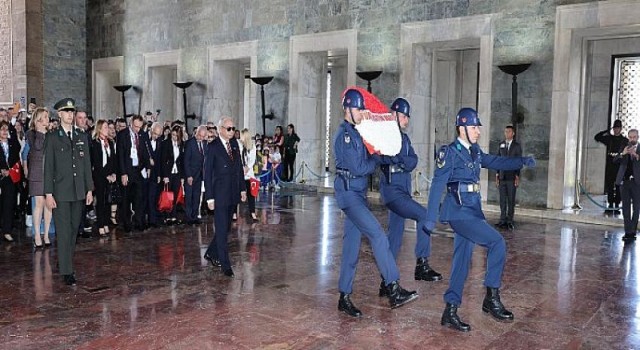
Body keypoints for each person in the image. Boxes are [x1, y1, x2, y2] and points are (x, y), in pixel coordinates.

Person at [425, 107, 535, 332]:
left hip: (472, 210)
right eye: (474, 127)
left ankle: (450, 310)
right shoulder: (450, 152)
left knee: (461, 260)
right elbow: (437, 184)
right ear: (462, 127)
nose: (478, 131)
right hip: (458, 212)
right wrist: (429, 219)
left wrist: (521, 161)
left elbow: (496, 161)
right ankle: (491, 298)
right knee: (497, 242)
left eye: (478, 127)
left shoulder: (474, 151)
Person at [334, 88, 418, 318]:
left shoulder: (357, 131)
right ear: (348, 110)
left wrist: (378, 152)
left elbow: (370, 152)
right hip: (350, 195)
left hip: (357, 193)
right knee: (378, 235)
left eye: (362, 109)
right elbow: (361, 167)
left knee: (351, 246)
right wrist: (376, 159)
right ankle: (393, 287)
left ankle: (344, 296)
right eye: (359, 110)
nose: (362, 113)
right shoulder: (346, 135)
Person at [377, 98, 442, 299]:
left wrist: (400, 160)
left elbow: (412, 160)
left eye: (407, 117)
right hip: (392, 192)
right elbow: (384, 158)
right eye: (404, 116)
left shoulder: (404, 139)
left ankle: (386, 283)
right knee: (424, 216)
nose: (406, 120)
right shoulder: (385, 136)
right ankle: (421, 264)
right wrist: (399, 160)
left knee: (394, 239)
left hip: (402, 191)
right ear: (395, 115)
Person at [43, 98, 94, 286]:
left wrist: (89, 188)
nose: (70, 115)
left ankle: (64, 260)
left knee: (73, 231)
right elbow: (48, 168)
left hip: (78, 191)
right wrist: (48, 193)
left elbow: (86, 165)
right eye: (67, 112)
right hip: (61, 192)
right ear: (60, 114)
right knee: (64, 231)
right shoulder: (53, 137)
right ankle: (67, 270)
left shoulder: (81, 136)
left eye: (72, 112)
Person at [203, 116, 247, 277]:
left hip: (232, 193)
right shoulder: (212, 147)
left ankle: (211, 253)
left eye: (233, 128)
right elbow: (207, 174)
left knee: (226, 227)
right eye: (229, 128)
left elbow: (239, 169)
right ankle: (225, 265)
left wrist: (242, 189)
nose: (232, 131)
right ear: (221, 129)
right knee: (221, 229)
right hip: (219, 195)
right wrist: (209, 198)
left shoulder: (234, 144)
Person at [24, 108, 52, 247]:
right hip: (36, 173)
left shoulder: (51, 134)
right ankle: (36, 234)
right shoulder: (31, 133)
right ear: (38, 119)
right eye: (45, 117)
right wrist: (41, 132)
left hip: (49, 173)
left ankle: (46, 234)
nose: (48, 119)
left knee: (48, 204)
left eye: (48, 117)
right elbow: (37, 147)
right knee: (39, 203)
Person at [116, 115, 149, 232]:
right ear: (131, 123)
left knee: (139, 197)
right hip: (127, 170)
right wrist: (123, 173)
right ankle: (126, 223)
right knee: (126, 198)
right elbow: (120, 155)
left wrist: (146, 166)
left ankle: (138, 221)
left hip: (138, 170)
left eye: (140, 127)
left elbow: (145, 152)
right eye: (135, 126)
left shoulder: (142, 135)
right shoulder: (122, 135)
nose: (137, 129)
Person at [90, 120, 117, 236]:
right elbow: (96, 162)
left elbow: (112, 159)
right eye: (105, 127)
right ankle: (100, 224)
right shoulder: (94, 143)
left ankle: (106, 223)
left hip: (109, 176)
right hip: (99, 176)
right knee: (100, 201)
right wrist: (106, 175)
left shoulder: (110, 143)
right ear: (99, 129)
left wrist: (113, 173)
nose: (108, 130)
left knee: (108, 200)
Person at [594, 119, 628, 211]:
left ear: (621, 129)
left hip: (619, 165)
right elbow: (597, 137)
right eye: (615, 128)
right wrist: (607, 130)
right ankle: (610, 204)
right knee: (609, 185)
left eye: (618, 128)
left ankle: (617, 205)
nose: (616, 130)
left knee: (618, 185)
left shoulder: (625, 140)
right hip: (610, 164)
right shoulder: (609, 138)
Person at [495, 125, 522, 229]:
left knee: (511, 200)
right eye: (505, 132)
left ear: (513, 133)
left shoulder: (517, 146)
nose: (507, 133)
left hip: (511, 177)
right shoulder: (501, 145)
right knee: (502, 200)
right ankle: (502, 220)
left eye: (509, 132)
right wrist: (497, 174)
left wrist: (517, 176)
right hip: (502, 176)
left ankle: (510, 220)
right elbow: (497, 160)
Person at [614, 129, 638, 243]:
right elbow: (615, 160)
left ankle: (632, 231)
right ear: (628, 137)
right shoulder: (624, 147)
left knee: (637, 207)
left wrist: (636, 156)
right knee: (626, 208)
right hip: (624, 182)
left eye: (634, 137)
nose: (632, 139)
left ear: (638, 137)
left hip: (637, 182)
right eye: (630, 137)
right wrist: (623, 154)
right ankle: (628, 232)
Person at [0, 120, 20, 242]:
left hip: (10, 178)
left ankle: (7, 231)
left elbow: (17, 156)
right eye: (2, 129)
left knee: (8, 204)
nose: (4, 132)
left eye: (6, 129)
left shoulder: (12, 143)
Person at [160, 125, 185, 225]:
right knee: (167, 194)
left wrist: (182, 176)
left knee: (175, 195)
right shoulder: (165, 144)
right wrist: (165, 175)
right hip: (168, 173)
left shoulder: (181, 144)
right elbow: (162, 160)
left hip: (177, 173)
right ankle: (166, 216)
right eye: (173, 135)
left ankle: (173, 215)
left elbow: (182, 161)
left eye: (176, 136)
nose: (174, 137)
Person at [183, 125, 207, 225]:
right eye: (199, 135)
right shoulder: (189, 143)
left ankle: (195, 216)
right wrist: (188, 175)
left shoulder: (205, 144)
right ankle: (189, 217)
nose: (200, 138)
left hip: (200, 175)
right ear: (196, 132)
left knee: (197, 196)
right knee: (189, 196)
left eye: (202, 136)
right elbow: (186, 161)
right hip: (190, 175)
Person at [240, 128, 258, 222]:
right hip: (240, 174)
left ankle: (252, 213)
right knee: (238, 193)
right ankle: (234, 214)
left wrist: (246, 168)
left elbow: (252, 160)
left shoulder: (252, 147)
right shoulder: (239, 145)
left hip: (249, 174)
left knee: (251, 195)